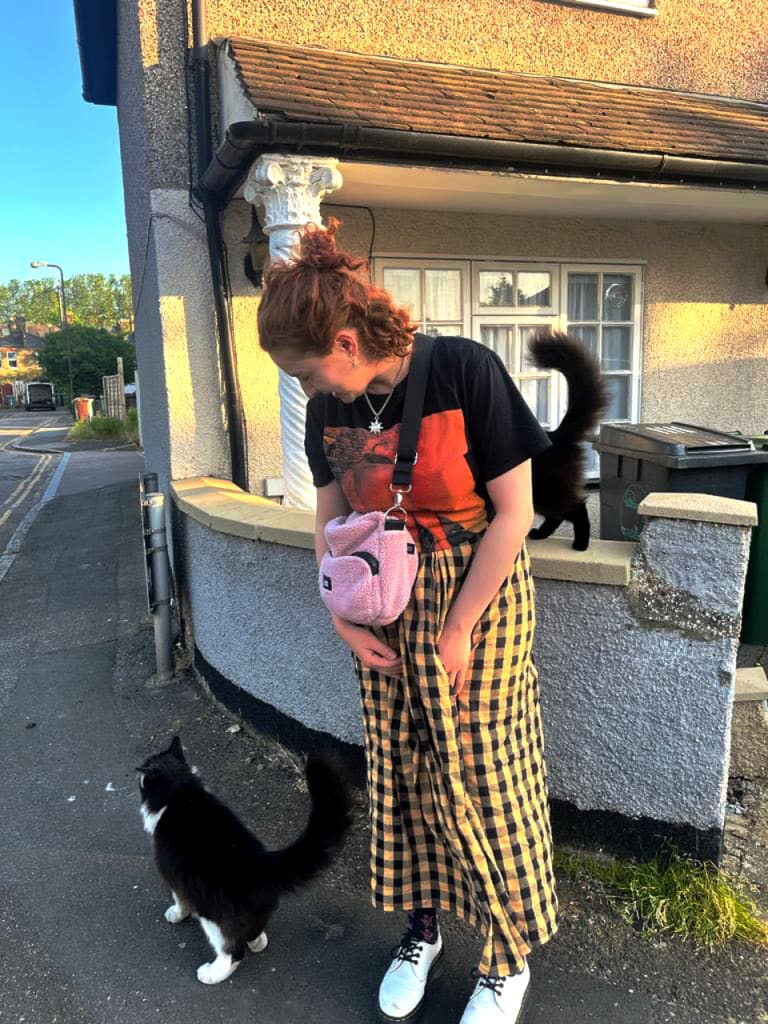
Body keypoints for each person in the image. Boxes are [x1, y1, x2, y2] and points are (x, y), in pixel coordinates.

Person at [257, 219, 558, 1024]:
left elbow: (514, 515)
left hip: (477, 598)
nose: (309, 388)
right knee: (400, 768)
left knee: (487, 774)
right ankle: (422, 930)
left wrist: (457, 630)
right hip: (379, 602)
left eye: (311, 369)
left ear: (348, 342)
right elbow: (326, 514)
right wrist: (336, 615)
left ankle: (505, 955)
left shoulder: (465, 370)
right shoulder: (331, 410)